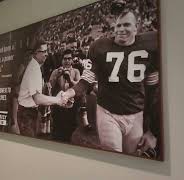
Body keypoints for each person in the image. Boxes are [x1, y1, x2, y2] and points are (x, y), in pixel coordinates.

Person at [61, 10, 159, 156]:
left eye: (126, 25)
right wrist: (71, 92)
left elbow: (152, 91)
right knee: (114, 157)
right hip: (108, 112)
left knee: (131, 158)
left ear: (136, 26)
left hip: (136, 113)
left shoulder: (151, 45)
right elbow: (88, 77)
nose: (121, 29)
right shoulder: (101, 46)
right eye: (118, 25)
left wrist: (153, 130)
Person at [17, 39, 66, 137]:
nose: (46, 54)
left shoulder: (35, 66)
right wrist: (57, 100)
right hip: (26, 114)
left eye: (46, 51)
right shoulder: (33, 68)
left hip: (28, 113)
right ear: (35, 53)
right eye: (43, 51)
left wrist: (53, 77)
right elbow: (37, 98)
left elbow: (39, 91)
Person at [49, 49, 81, 142]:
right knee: (57, 129)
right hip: (59, 105)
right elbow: (49, 86)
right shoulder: (56, 71)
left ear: (72, 60)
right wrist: (57, 76)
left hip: (71, 104)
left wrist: (70, 79)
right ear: (61, 60)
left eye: (69, 59)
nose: (67, 61)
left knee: (70, 128)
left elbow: (79, 87)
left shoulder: (76, 71)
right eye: (65, 59)